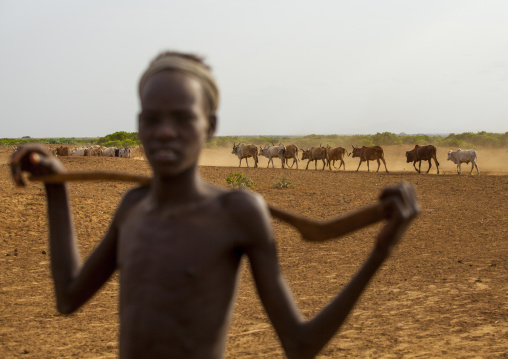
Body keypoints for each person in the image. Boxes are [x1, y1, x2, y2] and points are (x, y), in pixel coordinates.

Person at [10, 51, 420, 359]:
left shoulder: (238, 213)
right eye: (151, 119)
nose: (165, 132)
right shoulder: (132, 208)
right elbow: (68, 299)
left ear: (210, 126)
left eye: (183, 118)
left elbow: (299, 343)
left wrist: (380, 251)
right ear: (138, 125)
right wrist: (56, 187)